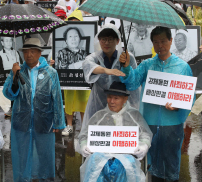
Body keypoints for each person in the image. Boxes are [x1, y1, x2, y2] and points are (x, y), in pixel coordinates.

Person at [119, 26, 194, 182]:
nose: (160, 46)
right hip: (150, 123)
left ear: (170, 41)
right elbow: (132, 83)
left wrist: (178, 106)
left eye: (163, 41)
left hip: (172, 124)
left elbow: (189, 96)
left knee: (171, 165)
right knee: (150, 166)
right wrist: (126, 67)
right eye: (156, 42)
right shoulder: (147, 65)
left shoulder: (182, 67)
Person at [3, 38, 65, 182]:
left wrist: (57, 122)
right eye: (26, 52)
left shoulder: (51, 72)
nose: (29, 55)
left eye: (32, 51)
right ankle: (24, 178)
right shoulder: (18, 70)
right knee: (22, 153)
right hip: (21, 121)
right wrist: (14, 77)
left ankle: (42, 178)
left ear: (39, 53)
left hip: (44, 120)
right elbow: (9, 94)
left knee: (44, 153)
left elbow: (56, 97)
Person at [79, 81, 153, 182]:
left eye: (116, 98)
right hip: (102, 155)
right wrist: (83, 145)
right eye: (109, 97)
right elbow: (85, 135)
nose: (111, 101)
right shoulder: (99, 116)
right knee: (95, 161)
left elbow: (145, 134)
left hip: (127, 156)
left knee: (124, 165)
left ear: (125, 99)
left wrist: (144, 145)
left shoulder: (134, 115)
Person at [82, 24, 140, 128]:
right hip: (99, 103)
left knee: (121, 133)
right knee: (98, 133)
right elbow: (88, 66)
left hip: (122, 105)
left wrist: (126, 67)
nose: (106, 43)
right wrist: (106, 70)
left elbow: (134, 81)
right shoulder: (95, 58)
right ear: (99, 40)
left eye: (110, 39)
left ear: (117, 41)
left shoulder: (127, 57)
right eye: (103, 39)